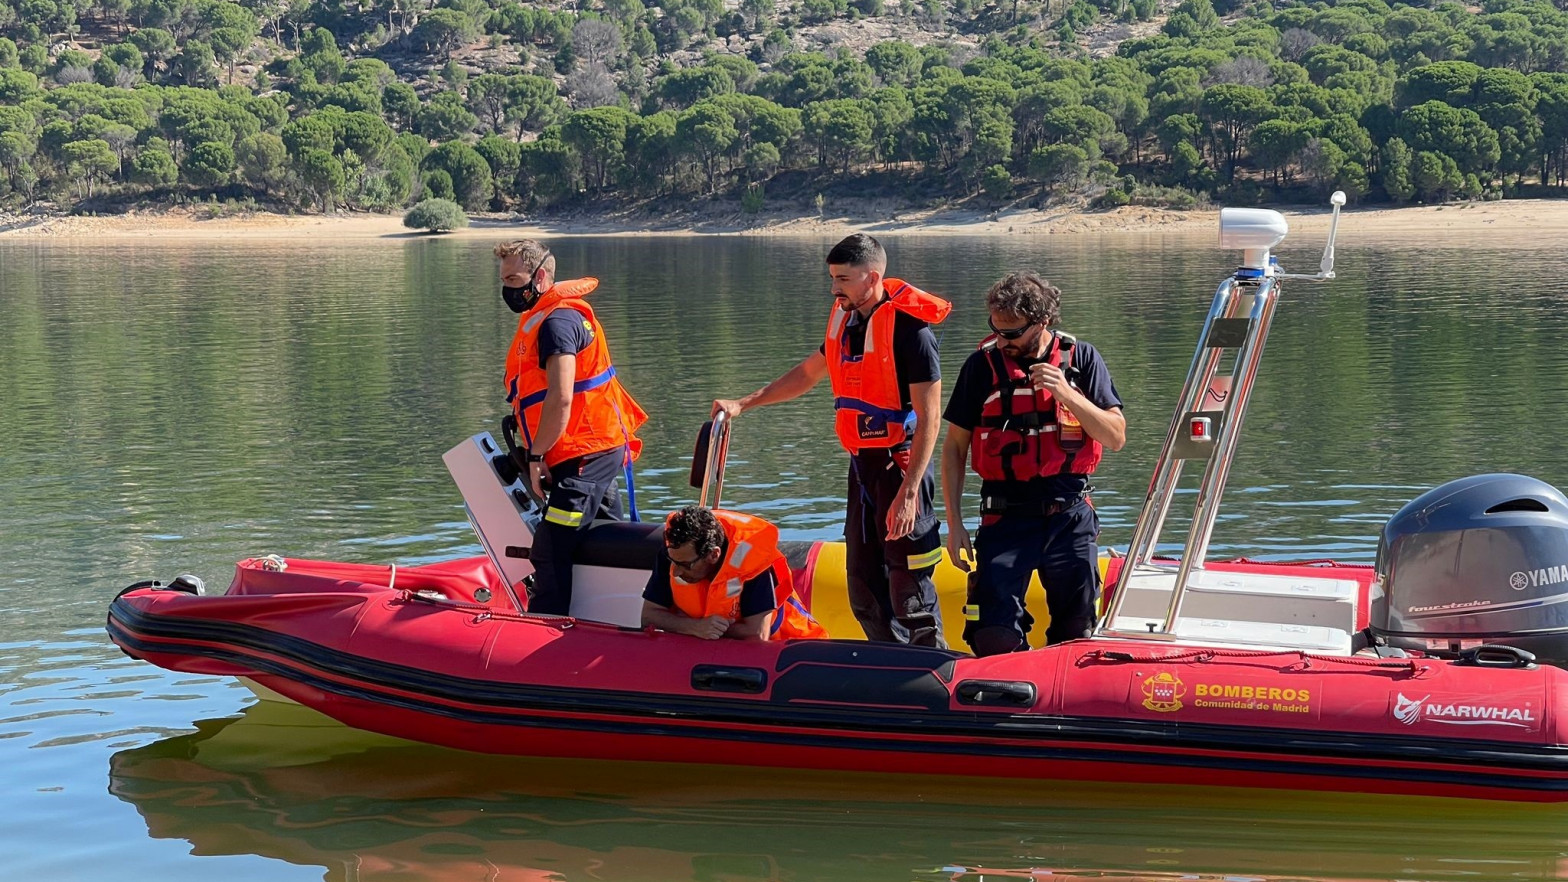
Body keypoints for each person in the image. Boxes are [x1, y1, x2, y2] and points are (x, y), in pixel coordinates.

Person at [713, 233, 950, 646]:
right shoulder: (844, 318)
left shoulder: (912, 332)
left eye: (842, 279)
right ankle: (886, 665)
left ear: (871, 276)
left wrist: (910, 493)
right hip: (861, 469)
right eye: (832, 278)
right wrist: (743, 403)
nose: (833, 288)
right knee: (862, 589)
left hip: (901, 468)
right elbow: (807, 374)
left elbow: (931, 417)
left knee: (909, 590)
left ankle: (931, 671)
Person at [939, 271, 1126, 656]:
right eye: (996, 328)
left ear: (1041, 322)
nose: (1002, 339)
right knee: (993, 635)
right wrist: (954, 524)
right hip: (1005, 517)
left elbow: (1115, 437)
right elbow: (955, 448)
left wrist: (1067, 394)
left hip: (1070, 514)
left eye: (1012, 332)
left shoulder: (1082, 359)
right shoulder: (980, 367)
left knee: (1076, 632)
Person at [496, 239, 648, 616]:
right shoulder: (546, 317)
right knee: (603, 531)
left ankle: (547, 631)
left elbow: (561, 398)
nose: (509, 289)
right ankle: (615, 617)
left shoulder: (559, 323)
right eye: (504, 279)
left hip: (587, 449)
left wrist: (535, 456)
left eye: (515, 279)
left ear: (541, 276)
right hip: (579, 448)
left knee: (550, 546)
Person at [641, 506, 829, 641]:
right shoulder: (675, 551)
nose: (676, 572)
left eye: (685, 565)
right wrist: (694, 627)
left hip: (788, 646)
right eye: (673, 562)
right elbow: (648, 616)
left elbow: (758, 634)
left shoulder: (754, 564)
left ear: (713, 555)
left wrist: (703, 628)